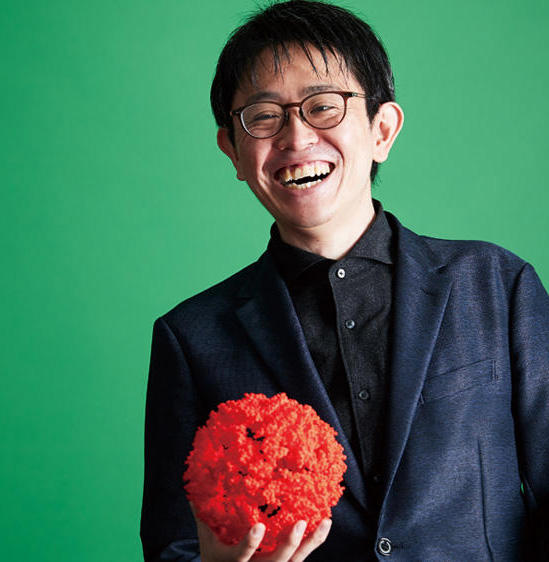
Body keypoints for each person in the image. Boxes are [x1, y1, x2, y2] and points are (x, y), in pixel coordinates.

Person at [141, 1, 549, 561]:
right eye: (264, 116)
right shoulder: (192, 338)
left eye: (323, 107)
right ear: (232, 150)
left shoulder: (498, 286)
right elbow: (174, 546)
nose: (295, 136)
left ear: (382, 130)